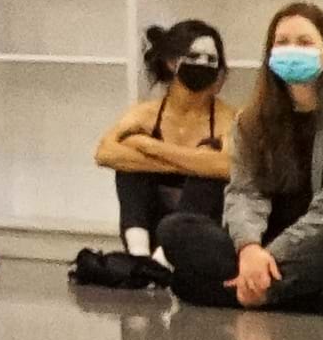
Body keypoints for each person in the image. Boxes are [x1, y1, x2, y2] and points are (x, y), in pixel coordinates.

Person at [157, 5, 323, 311]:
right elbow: (244, 192)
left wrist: (269, 258)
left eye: (304, 42)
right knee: (175, 228)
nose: (292, 50)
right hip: (264, 245)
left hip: (315, 244)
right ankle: (277, 292)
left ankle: (254, 289)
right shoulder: (251, 121)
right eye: (282, 42)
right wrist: (249, 249)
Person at [91, 20, 233, 248]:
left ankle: (165, 258)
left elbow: (228, 166)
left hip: (200, 233)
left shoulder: (228, 118)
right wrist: (194, 162)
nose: (202, 64)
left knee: (207, 178)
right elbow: (105, 153)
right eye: (194, 56)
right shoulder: (144, 114)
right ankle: (139, 256)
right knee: (129, 171)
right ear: (172, 62)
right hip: (151, 225)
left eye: (211, 59)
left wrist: (149, 147)